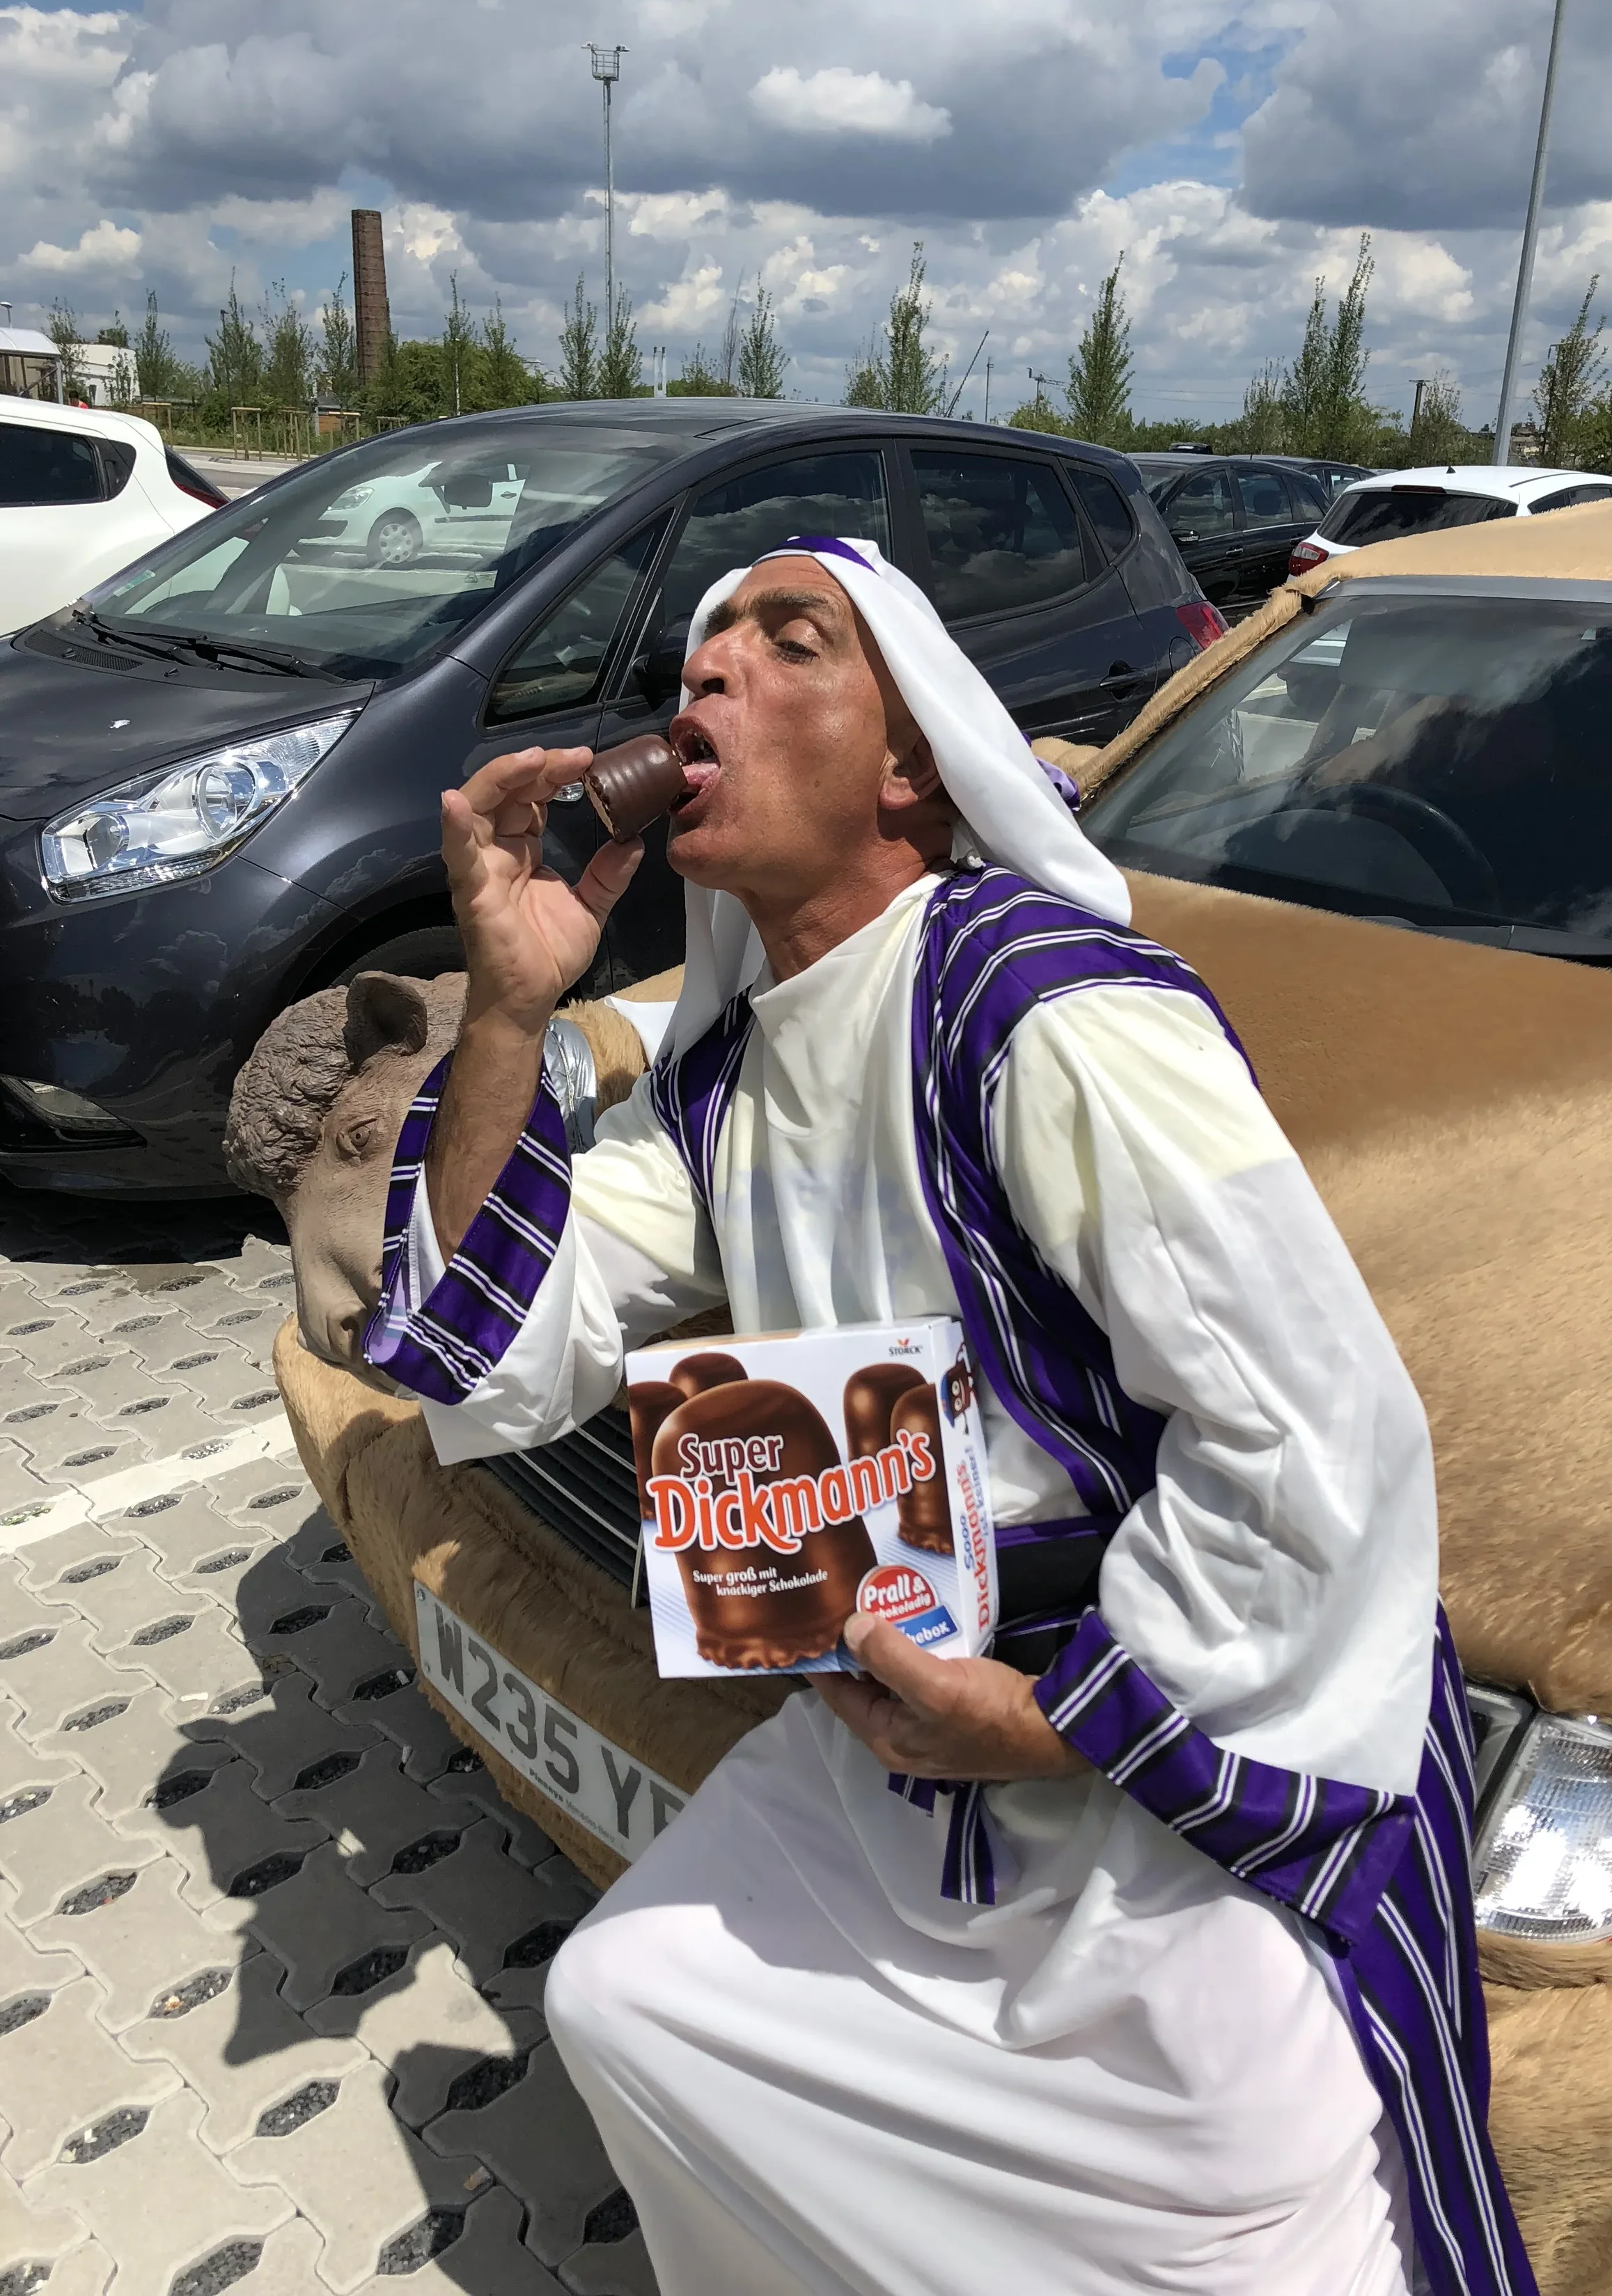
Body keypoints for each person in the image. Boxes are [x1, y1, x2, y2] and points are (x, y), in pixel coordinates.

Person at [363, 535, 1535, 2296]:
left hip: (1165, 1746)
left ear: (909, 762)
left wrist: (1053, 1722)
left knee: (1242, 2189)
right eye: (695, 658)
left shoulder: (1042, 1014)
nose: (707, 679)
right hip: (904, 1737)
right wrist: (513, 1009)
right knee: (629, 2001)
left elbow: (1314, 1433)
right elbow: (490, 1343)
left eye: (785, 639)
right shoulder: (734, 1064)